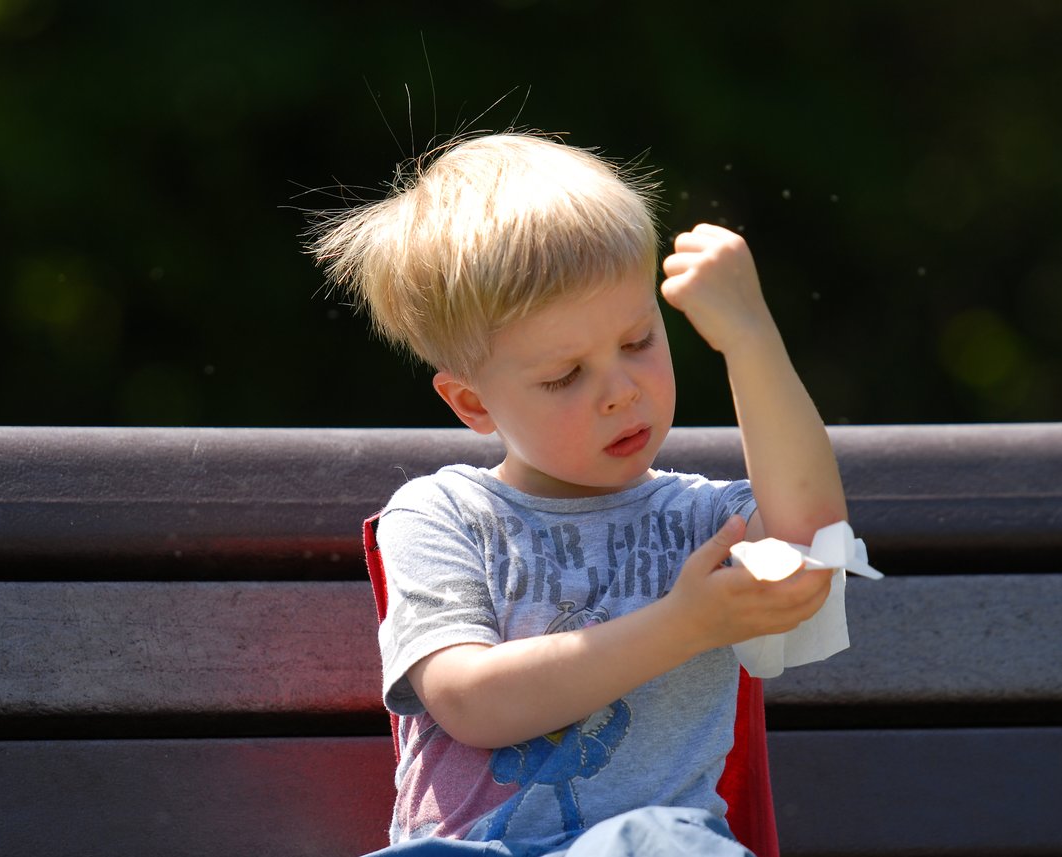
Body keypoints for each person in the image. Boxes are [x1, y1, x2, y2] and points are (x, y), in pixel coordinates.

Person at [311, 132, 848, 856]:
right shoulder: (443, 516)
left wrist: (750, 339)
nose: (620, 391)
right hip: (468, 850)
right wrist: (683, 624)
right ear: (473, 404)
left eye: (637, 342)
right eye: (565, 375)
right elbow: (472, 701)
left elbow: (813, 549)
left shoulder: (702, 519)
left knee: (669, 841)